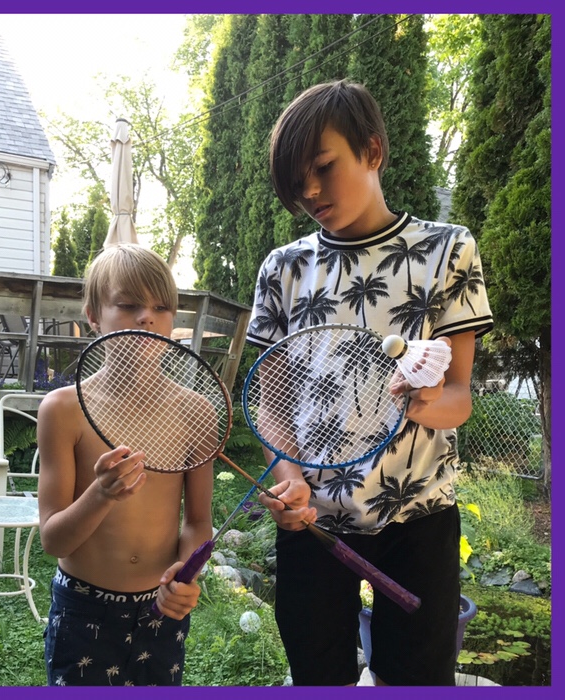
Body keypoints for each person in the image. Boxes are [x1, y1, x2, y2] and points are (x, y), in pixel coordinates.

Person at [246, 79, 493, 686]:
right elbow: (269, 400)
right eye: (296, 180)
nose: (309, 191)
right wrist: (289, 477)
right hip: (312, 522)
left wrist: (425, 402)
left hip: (419, 517)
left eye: (323, 167)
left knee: (417, 680)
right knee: (317, 677)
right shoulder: (283, 269)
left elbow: (458, 397)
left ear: (373, 151)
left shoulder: (448, 251)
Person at [38, 243, 213, 686]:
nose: (146, 318)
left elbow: (197, 521)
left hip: (160, 608)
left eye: (161, 307)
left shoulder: (196, 411)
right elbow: (54, 539)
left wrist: (186, 574)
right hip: (83, 607)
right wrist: (100, 494)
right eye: (129, 305)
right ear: (93, 316)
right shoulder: (63, 409)